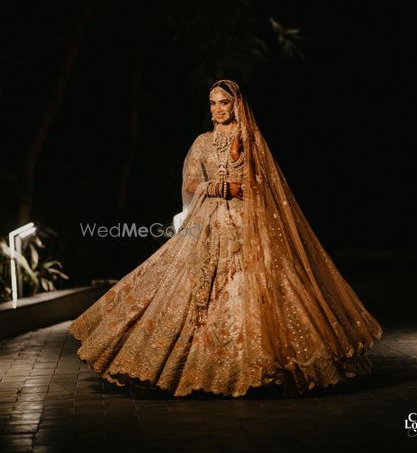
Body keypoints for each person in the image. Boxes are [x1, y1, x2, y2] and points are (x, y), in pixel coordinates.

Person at [68, 78, 383, 398]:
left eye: (224, 103)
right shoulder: (202, 142)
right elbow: (191, 184)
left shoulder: (251, 141)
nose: (217, 109)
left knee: (261, 289)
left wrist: (242, 161)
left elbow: (267, 186)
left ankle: (262, 370)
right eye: (213, 103)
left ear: (237, 105)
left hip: (248, 226)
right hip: (208, 223)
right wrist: (218, 188)